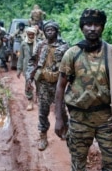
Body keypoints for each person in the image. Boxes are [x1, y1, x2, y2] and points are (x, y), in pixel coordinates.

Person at [54, 8, 112, 171]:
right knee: (78, 162)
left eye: (97, 24)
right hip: (79, 117)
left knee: (111, 163)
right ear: (82, 27)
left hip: (106, 118)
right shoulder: (72, 54)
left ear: (102, 27)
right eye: (88, 24)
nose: (92, 28)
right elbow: (60, 86)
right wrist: (59, 118)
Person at [26, 20, 69, 151]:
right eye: (47, 30)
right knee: (43, 111)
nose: (50, 32)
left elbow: (71, 64)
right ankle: (43, 136)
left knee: (61, 109)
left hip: (58, 83)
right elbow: (32, 62)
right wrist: (29, 77)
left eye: (53, 30)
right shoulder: (40, 45)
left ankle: (66, 132)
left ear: (57, 31)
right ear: (44, 32)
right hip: (43, 83)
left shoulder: (64, 46)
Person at [17, 26, 38, 111]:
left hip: (36, 67)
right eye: (29, 34)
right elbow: (21, 57)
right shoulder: (23, 44)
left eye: (32, 34)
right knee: (28, 84)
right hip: (27, 68)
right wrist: (19, 69)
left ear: (35, 34)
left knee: (39, 84)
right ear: (27, 34)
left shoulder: (39, 43)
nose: (31, 36)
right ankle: (30, 101)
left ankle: (38, 98)